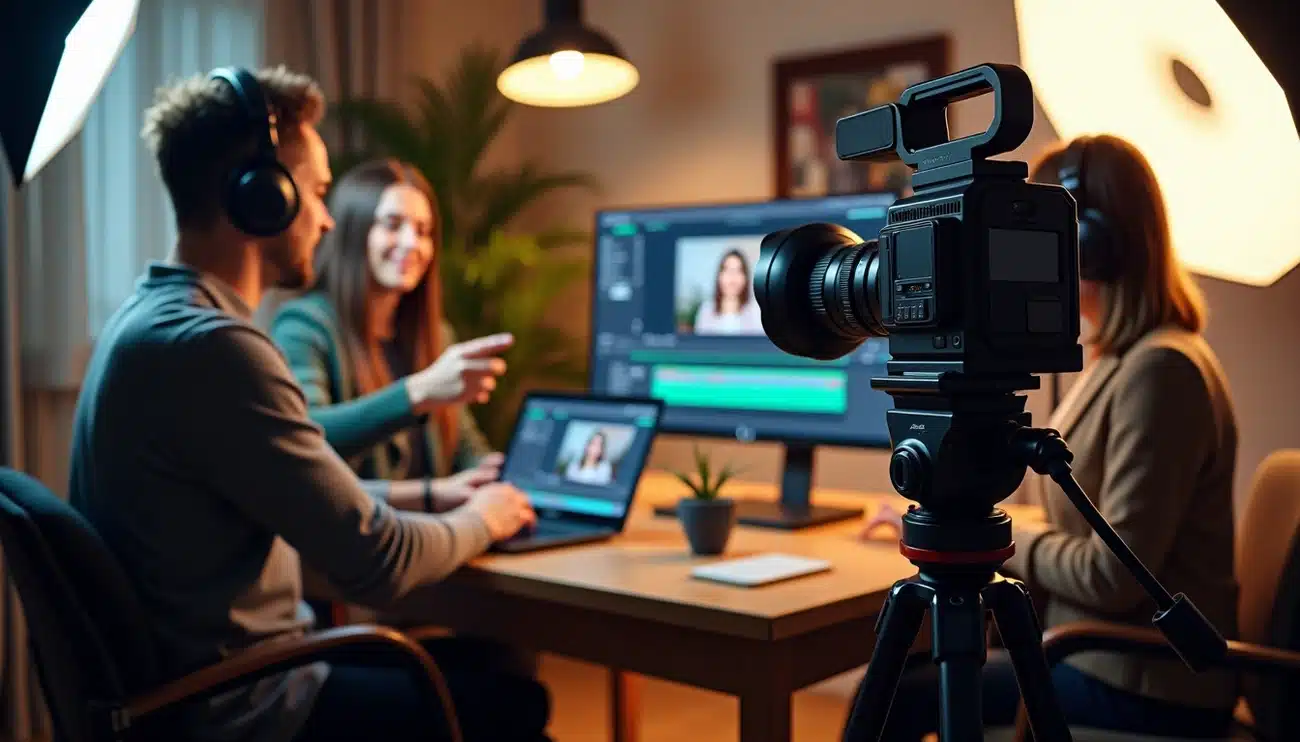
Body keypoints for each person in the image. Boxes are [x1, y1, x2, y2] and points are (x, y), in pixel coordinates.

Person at [67, 66, 549, 742]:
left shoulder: (150, 320)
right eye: (318, 192)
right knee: (519, 707)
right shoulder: (216, 348)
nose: (326, 219)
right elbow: (378, 563)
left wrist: (438, 498)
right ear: (262, 197)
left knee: (497, 674)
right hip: (247, 706)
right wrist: (486, 516)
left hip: (194, 690)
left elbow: (296, 490)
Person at [856, 134, 1240, 740]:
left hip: (1144, 680)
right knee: (912, 677)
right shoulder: (1113, 361)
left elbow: (1112, 578)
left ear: (1091, 244)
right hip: (1090, 655)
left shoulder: (1163, 370)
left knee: (903, 698)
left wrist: (1006, 538)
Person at [266, 158, 507, 514]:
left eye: (424, 231)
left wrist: (490, 474)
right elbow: (306, 438)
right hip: (358, 551)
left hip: (440, 547)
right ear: (354, 231)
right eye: (393, 225)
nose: (412, 243)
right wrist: (419, 392)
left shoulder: (435, 335)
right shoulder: (304, 325)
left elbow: (465, 448)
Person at [693, 248, 764, 334]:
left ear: (746, 278)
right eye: (727, 270)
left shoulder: (756, 311)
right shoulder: (705, 311)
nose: (732, 277)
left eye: (739, 271)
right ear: (719, 276)